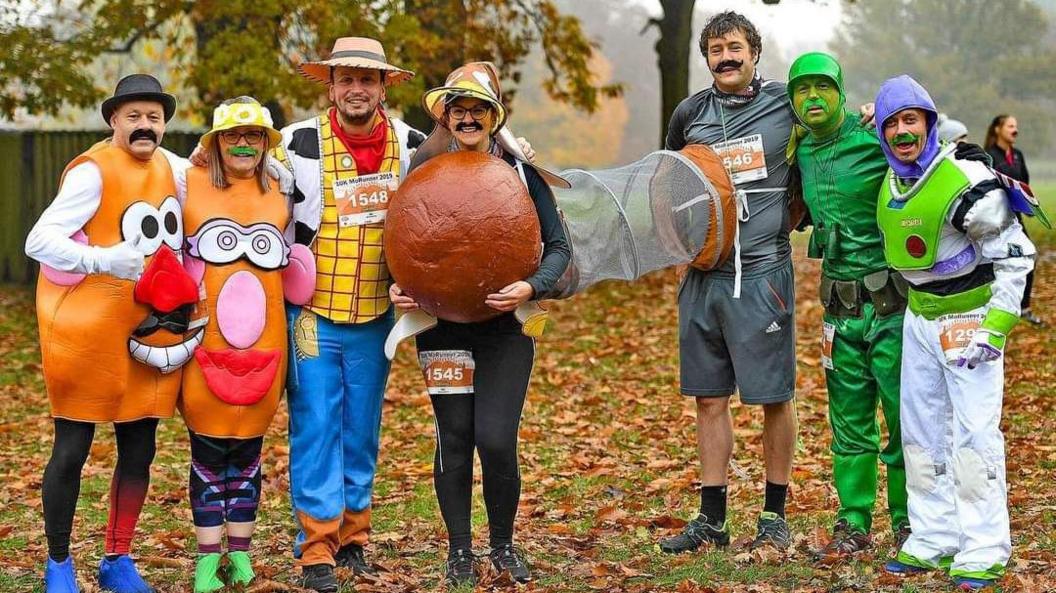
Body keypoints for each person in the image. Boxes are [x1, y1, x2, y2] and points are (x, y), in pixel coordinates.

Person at [272, 38, 534, 592]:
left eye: (368, 80)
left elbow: (470, 173)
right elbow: (246, 189)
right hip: (313, 314)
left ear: (385, 86)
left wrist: (515, 149)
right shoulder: (294, 144)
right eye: (346, 79)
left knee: (361, 431)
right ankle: (317, 547)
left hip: (377, 315)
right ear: (331, 84)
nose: (356, 89)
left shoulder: (413, 147)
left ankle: (354, 541)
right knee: (317, 426)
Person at [388, 62, 570, 586]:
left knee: (494, 437)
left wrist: (532, 286)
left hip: (503, 330)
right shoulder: (421, 172)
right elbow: (399, 239)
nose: (468, 118)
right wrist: (397, 285)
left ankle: (504, 545)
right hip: (442, 328)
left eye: (478, 110)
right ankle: (460, 551)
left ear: (492, 118)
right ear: (446, 118)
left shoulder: (520, 172)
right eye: (458, 110)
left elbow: (558, 247)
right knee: (455, 434)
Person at [25, 74, 201, 593]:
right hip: (89, 334)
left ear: (164, 122)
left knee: (139, 447)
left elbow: (219, 182)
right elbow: (40, 239)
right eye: (134, 116)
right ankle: (58, 562)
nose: (145, 126)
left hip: (150, 329)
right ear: (113, 120)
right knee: (73, 448)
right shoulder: (93, 171)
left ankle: (117, 557)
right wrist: (103, 259)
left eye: (153, 117)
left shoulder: (174, 167)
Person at [875, 75, 1036, 591]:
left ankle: (984, 546)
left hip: (970, 320)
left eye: (910, 119)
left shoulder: (964, 177)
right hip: (919, 319)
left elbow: (1015, 255)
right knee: (920, 433)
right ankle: (932, 535)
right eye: (891, 122)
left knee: (973, 437)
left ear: (929, 121)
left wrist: (996, 327)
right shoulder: (892, 180)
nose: (902, 132)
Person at [659, 10, 800, 554]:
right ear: (707, 58)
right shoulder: (689, 112)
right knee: (708, 398)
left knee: (772, 396)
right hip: (702, 274)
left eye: (736, 47)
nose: (727, 57)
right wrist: (678, 243)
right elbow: (668, 180)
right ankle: (712, 518)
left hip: (763, 272)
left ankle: (773, 513)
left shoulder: (786, 102)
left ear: (755, 52)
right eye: (717, 50)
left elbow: (827, 137)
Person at [178, 97, 312, 592]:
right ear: (212, 143)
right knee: (209, 451)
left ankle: (241, 553)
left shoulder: (283, 187)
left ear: (265, 143)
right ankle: (207, 560)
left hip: (265, 345)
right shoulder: (184, 180)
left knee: (250, 452)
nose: (243, 144)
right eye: (232, 136)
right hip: (206, 341)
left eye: (255, 136)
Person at [785, 52, 909, 558]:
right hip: (838, 310)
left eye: (823, 88)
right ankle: (853, 521)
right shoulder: (798, 153)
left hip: (892, 309)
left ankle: (910, 520)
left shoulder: (874, 140)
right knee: (849, 420)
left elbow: (927, 157)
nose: (813, 98)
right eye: (802, 90)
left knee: (905, 416)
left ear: (840, 92)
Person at [985, 114, 1042, 326]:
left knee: (1029, 256)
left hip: (1015, 218)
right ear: (998, 129)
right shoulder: (989, 155)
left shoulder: (1017, 155)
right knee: (994, 262)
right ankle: (995, 307)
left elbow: (1025, 184)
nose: (1015, 130)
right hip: (994, 218)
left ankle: (1023, 307)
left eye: (1016, 126)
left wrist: (1029, 205)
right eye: (1010, 126)